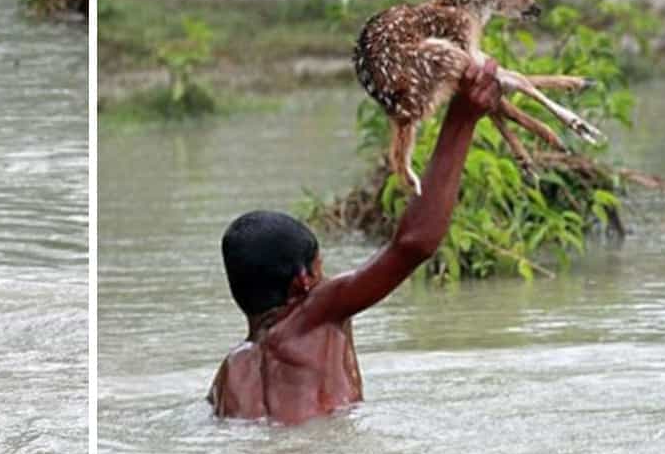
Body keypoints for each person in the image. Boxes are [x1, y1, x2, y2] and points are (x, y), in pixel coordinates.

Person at [207, 59, 502, 425]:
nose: (325, 277)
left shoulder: (228, 375)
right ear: (303, 281)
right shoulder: (317, 311)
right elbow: (415, 244)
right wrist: (462, 119)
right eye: (320, 268)